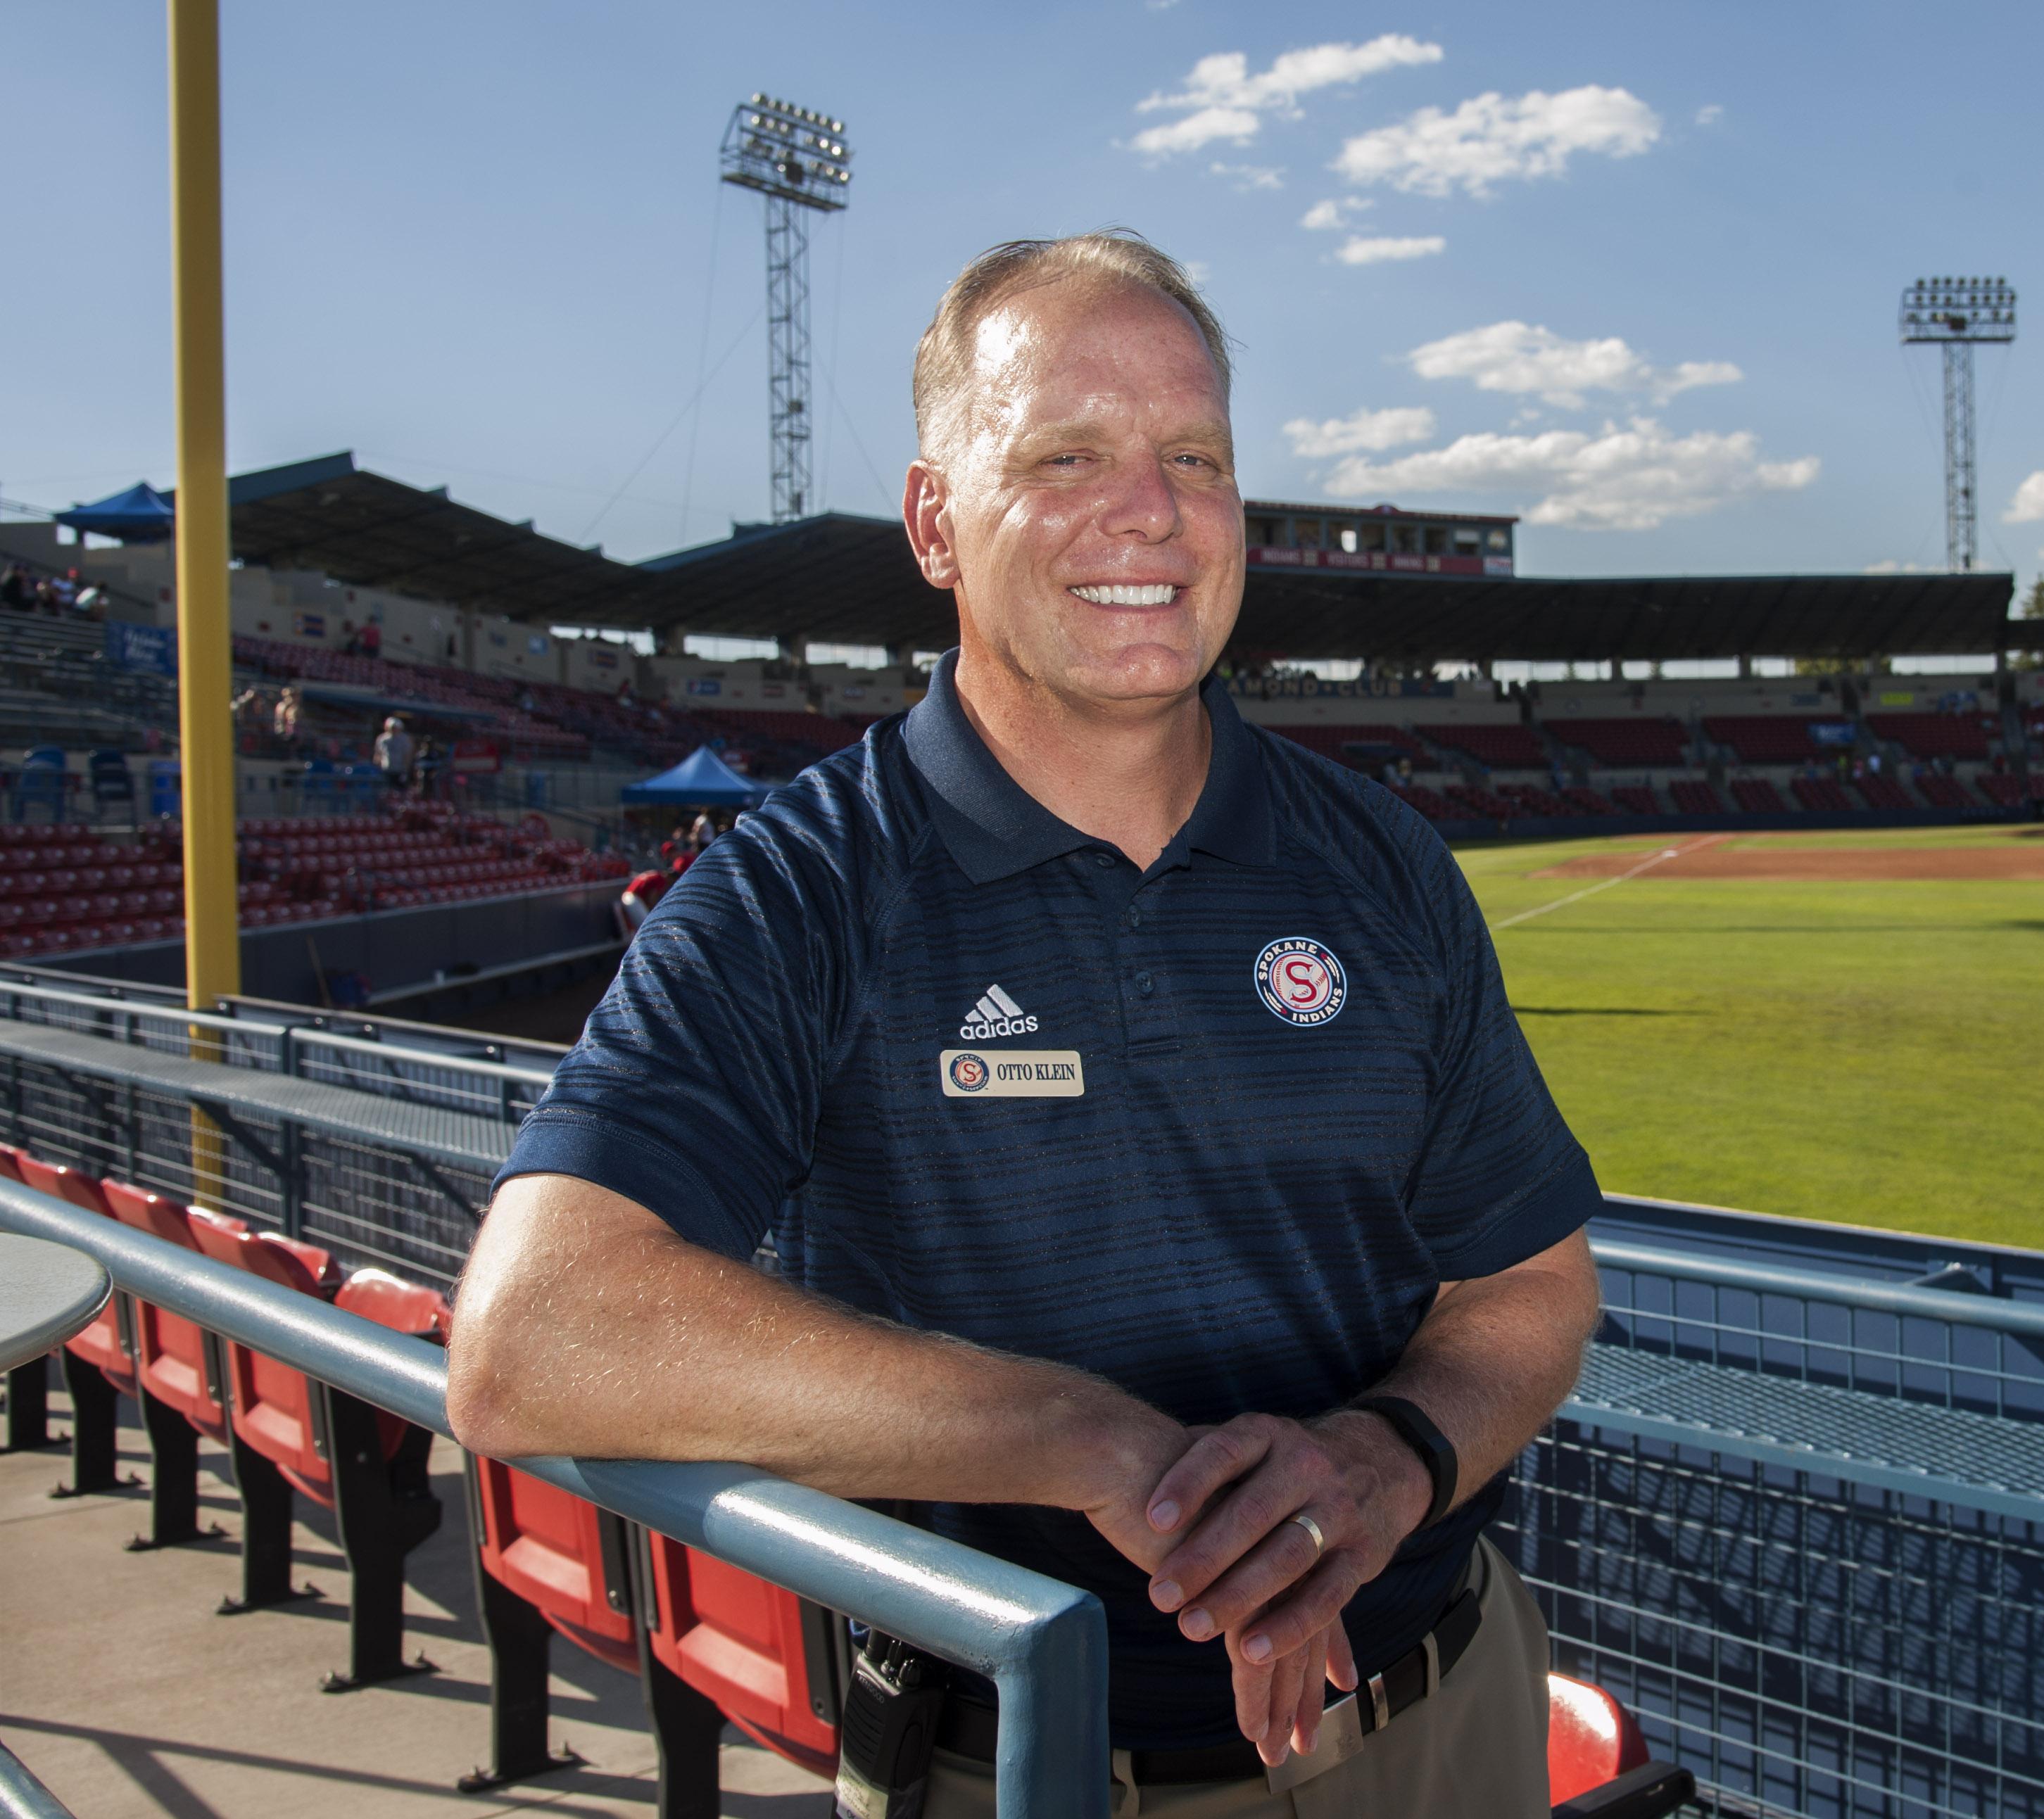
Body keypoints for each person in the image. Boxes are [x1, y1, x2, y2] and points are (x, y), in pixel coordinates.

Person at [446, 232, 1598, 1818]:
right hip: (1019, 1766)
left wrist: (1387, 1455)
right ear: (936, 522)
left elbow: (1529, 1280)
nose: (1153, 508)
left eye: (1194, 454)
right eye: (1066, 453)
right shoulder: (802, 888)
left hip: (1441, 1723)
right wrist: (1095, 1442)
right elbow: (531, 1338)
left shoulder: (1380, 862)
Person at [374, 716, 414, 790]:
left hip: (399, 769)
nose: (394, 729)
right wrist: (377, 766)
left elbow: (407, 755)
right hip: (386, 768)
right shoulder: (382, 739)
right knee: (386, 789)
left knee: (399, 790)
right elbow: (378, 753)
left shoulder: (404, 739)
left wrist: (406, 769)